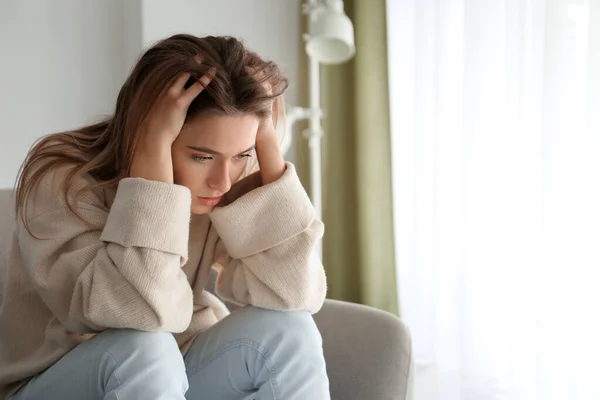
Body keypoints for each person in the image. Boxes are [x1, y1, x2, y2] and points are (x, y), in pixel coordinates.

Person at [0, 34, 329, 400]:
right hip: (55, 380)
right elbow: (135, 311)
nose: (222, 180)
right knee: (146, 347)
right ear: (148, 129)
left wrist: (265, 141)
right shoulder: (61, 176)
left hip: (165, 374)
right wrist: (152, 161)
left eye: (240, 155)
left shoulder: (224, 182)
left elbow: (294, 294)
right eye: (202, 157)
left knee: (291, 330)